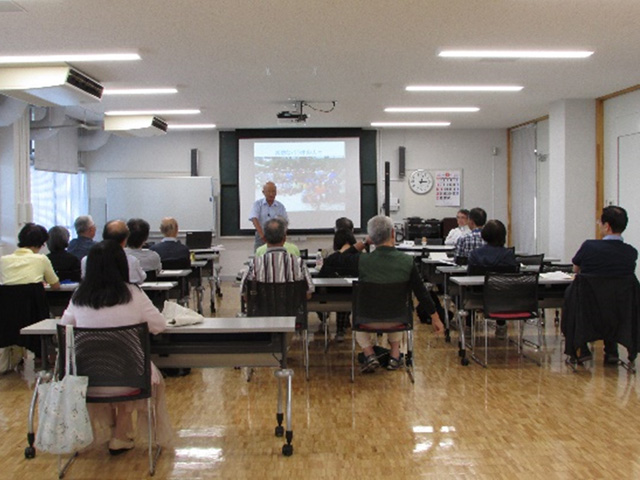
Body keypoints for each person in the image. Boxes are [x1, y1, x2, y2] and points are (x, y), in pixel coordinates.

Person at [60, 240, 172, 454]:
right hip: (132, 380)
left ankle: (116, 431)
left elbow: (64, 328)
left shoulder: (79, 296)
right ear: (123, 265)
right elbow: (159, 325)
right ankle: (120, 434)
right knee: (137, 366)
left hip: (86, 382)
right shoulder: (133, 293)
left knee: (111, 362)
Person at [356, 215, 444, 372]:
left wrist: (363, 243)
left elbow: (338, 258)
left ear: (371, 237)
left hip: (365, 320)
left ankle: (369, 354)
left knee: (354, 313)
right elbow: (422, 293)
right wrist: (435, 318)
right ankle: (395, 355)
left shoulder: (362, 261)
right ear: (392, 233)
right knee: (396, 305)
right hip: (399, 320)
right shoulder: (407, 261)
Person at [570, 205, 638, 364]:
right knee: (609, 302)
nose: (598, 224)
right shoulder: (631, 252)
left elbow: (576, 269)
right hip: (618, 310)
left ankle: (582, 348)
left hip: (590, 309)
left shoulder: (589, 246)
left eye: (600, 222)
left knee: (572, 296)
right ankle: (611, 351)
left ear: (606, 226)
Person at [468, 219, 519, 338]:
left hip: (478, 296)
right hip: (505, 297)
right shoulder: (508, 255)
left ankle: (468, 326)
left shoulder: (475, 254)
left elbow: (469, 275)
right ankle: (501, 326)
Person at [240, 217, 313, 298]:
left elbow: (245, 295)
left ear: (265, 238)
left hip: (262, 310)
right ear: (284, 238)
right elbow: (308, 294)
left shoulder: (253, 264)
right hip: (291, 310)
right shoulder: (299, 263)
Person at [319, 228, 369, 341]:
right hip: (356, 299)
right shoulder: (361, 258)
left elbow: (321, 278)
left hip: (332, 298)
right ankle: (343, 326)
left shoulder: (331, 259)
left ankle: (335, 325)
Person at [81, 220, 146, 284]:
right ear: (125, 240)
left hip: (91, 294)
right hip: (122, 294)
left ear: (103, 236)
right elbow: (140, 279)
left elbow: (84, 278)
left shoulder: (86, 260)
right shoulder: (131, 261)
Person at [0, 223, 60, 289]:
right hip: (34, 298)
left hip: (8, 298)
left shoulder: (3, 260)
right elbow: (55, 286)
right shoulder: (41, 259)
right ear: (40, 244)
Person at [249, 181, 288, 252]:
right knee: (259, 256)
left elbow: (284, 222)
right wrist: (262, 235)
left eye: (273, 191)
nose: (271, 194)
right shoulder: (258, 204)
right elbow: (254, 218)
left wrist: (283, 237)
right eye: (268, 191)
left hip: (277, 237)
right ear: (263, 192)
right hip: (261, 237)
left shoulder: (280, 206)